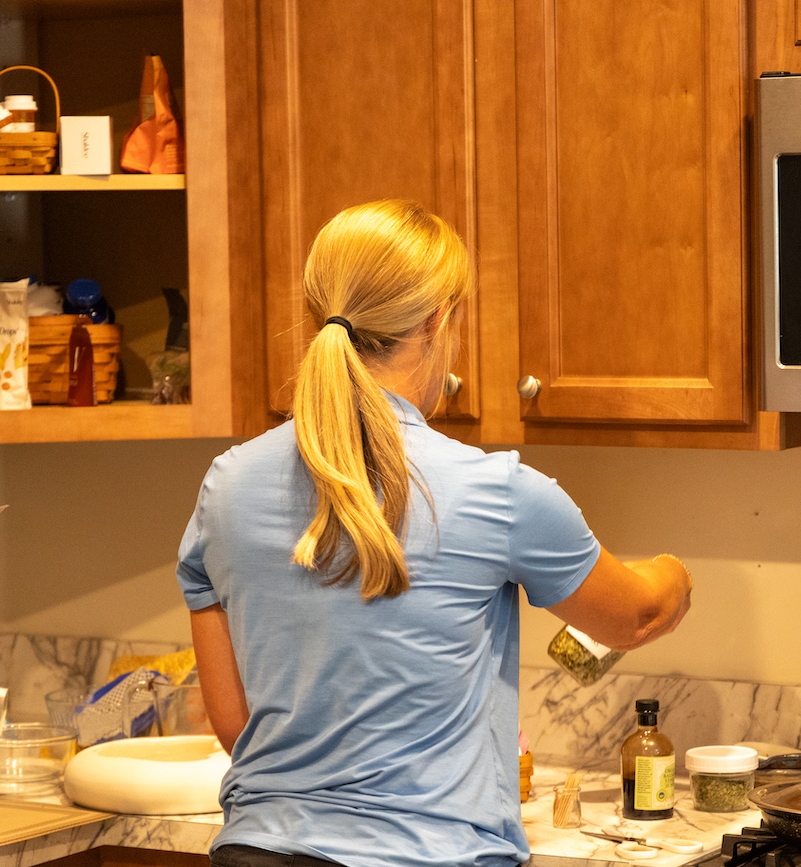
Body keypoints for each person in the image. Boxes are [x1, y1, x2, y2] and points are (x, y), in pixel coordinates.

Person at [176, 199, 693, 867]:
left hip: (259, 852)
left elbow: (235, 724)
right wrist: (676, 571)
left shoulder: (227, 486)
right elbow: (639, 613)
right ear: (438, 321)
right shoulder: (495, 490)